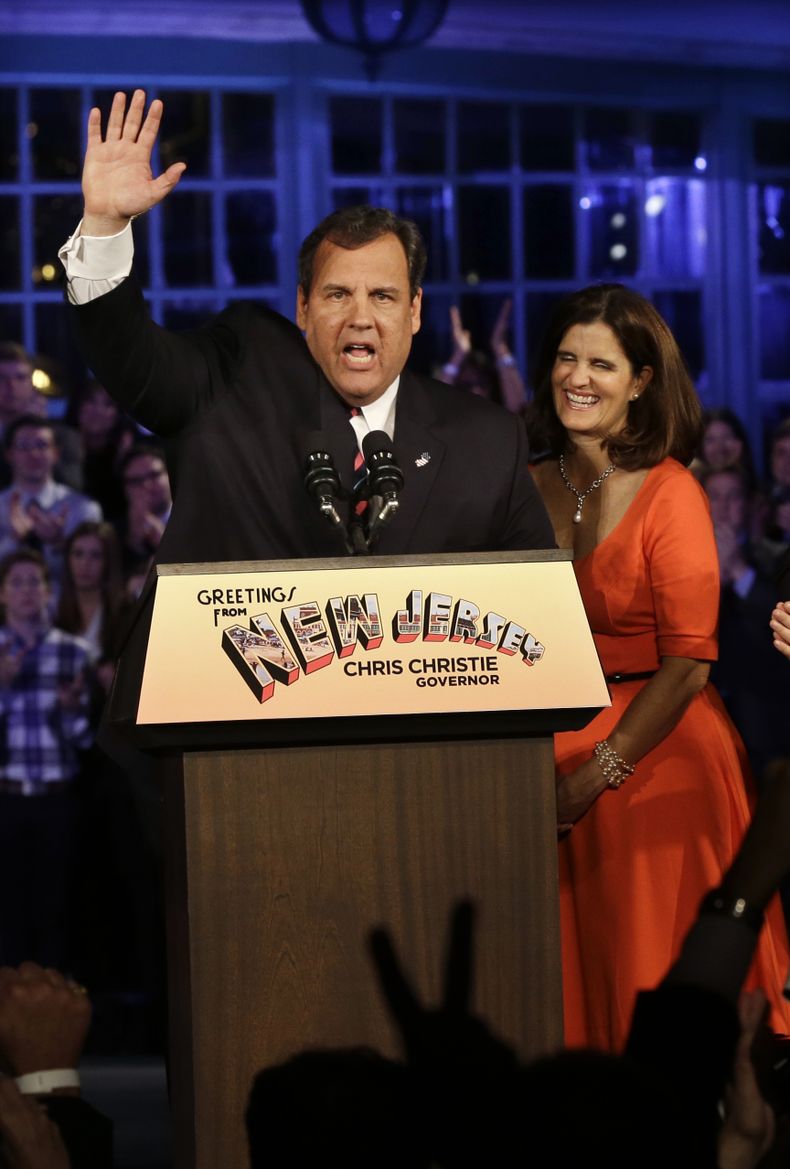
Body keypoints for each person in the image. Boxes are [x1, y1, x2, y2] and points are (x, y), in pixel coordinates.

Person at [57, 91, 553, 709]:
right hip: (220, 740)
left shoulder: (487, 440)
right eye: (337, 295)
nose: (361, 319)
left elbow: (542, 631)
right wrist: (105, 227)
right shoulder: (241, 372)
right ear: (302, 308)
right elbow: (136, 364)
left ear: (416, 311)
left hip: (424, 766)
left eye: (384, 297)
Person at [528, 283, 790, 1053]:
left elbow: (688, 668)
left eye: (602, 364)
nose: (578, 376)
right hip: (547, 766)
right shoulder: (528, 479)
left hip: (657, 764)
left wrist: (592, 776)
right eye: (567, 358)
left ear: (641, 380)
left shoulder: (673, 491)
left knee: (653, 999)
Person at [0, 549, 94, 969]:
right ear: (3, 593)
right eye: (16, 582)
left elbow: (84, 740)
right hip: (8, 798)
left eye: (33, 582)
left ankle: (55, 1019)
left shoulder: (73, 652)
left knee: (57, 912)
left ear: (48, 591)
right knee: (9, 914)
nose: (25, 591)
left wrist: (73, 710)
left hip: (58, 800)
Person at [0, 416, 102, 590]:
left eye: (41, 445)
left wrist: (57, 545)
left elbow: (97, 574)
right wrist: (14, 540)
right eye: (23, 446)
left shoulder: (83, 509)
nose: (33, 454)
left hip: (69, 609)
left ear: (56, 453)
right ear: (9, 454)